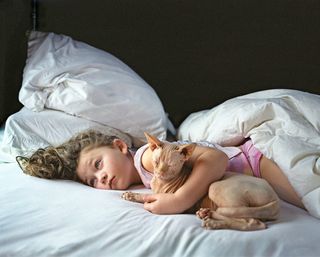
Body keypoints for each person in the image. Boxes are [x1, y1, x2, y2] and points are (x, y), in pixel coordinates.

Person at [17, 129, 304, 214]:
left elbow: (215, 159)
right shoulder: (143, 181)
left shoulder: (147, 158)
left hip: (252, 162)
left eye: (98, 165)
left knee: (308, 196)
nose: (101, 178)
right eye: (93, 181)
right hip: (247, 179)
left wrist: (180, 199)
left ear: (119, 147)